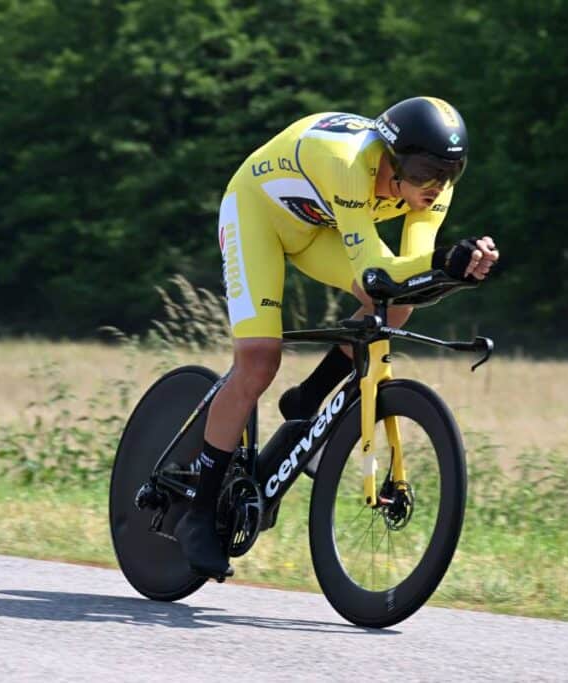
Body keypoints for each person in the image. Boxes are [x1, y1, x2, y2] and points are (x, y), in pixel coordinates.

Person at [175, 97, 500, 576]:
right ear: (392, 158)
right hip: (257, 214)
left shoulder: (433, 187)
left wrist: (457, 267)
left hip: (316, 227)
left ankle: (308, 397)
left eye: (450, 173)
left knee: (399, 304)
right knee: (260, 360)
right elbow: (376, 269)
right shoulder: (350, 164)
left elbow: (410, 271)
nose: (437, 186)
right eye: (426, 171)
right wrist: (441, 264)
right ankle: (197, 514)